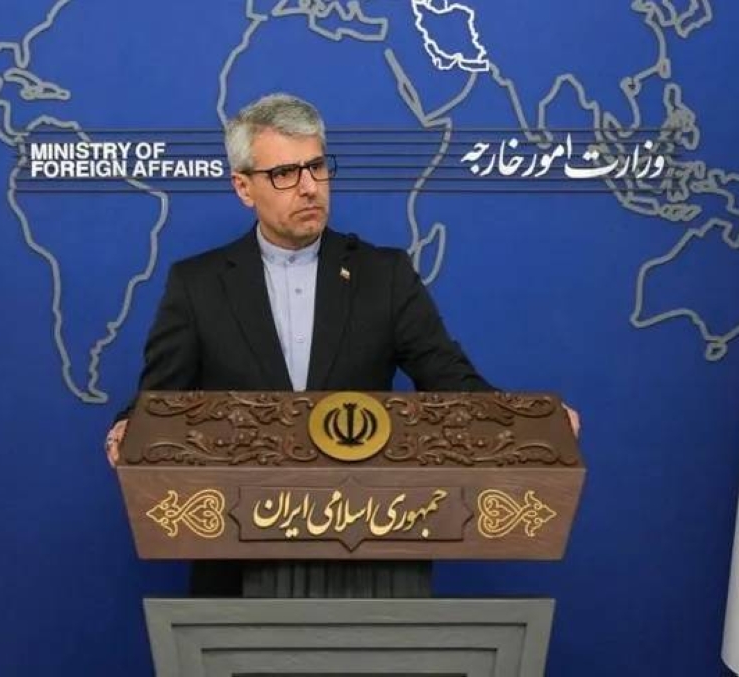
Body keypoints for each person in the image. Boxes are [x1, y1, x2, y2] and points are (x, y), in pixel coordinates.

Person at [105, 93, 579, 594]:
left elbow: (451, 381)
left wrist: (530, 421)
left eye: (316, 166)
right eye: (284, 174)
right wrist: (129, 425)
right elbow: (162, 400)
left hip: (369, 563)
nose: (309, 187)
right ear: (243, 187)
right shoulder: (197, 285)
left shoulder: (385, 275)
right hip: (236, 567)